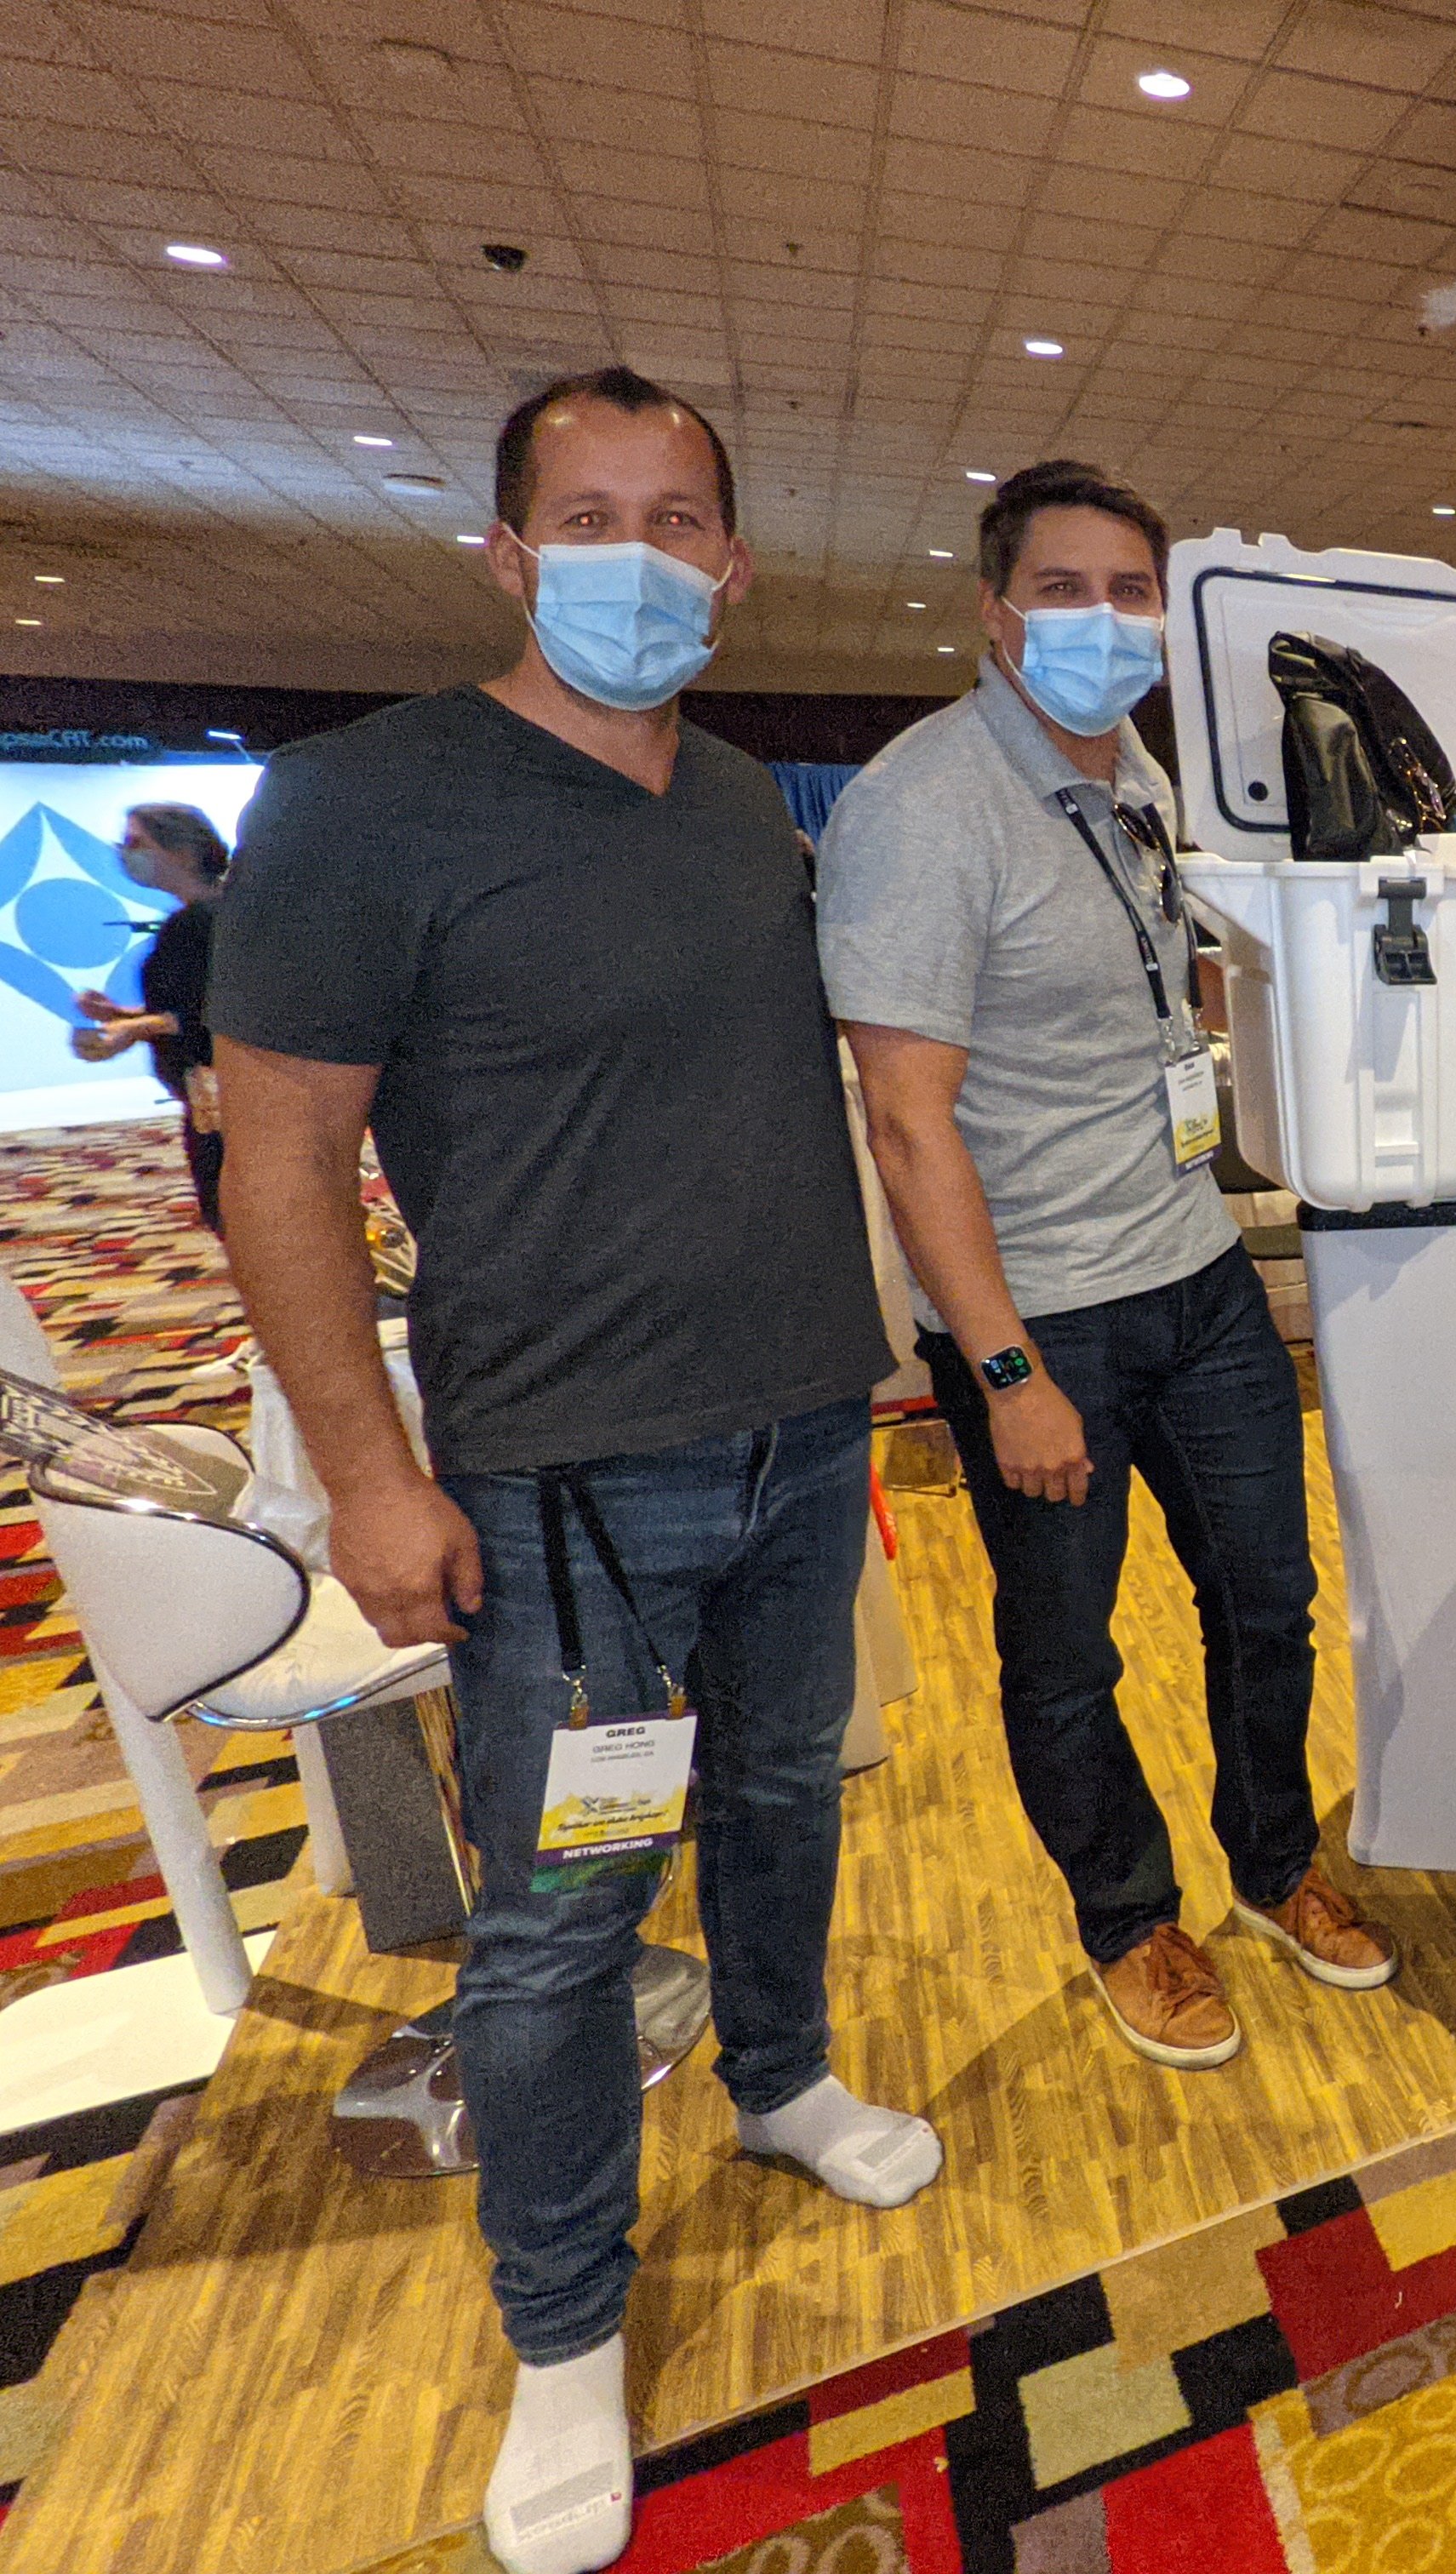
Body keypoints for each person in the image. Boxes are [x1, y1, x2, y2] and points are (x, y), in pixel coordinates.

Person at [210, 367, 933, 2574]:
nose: (645, 555)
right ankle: (562, 2326)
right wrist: (366, 1475)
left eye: (682, 516)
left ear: (731, 559)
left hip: (802, 1439)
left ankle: (787, 2076)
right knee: (559, 1930)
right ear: (510, 556)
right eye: (590, 515)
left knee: (789, 1799)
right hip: (564, 1501)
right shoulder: (367, 805)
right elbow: (285, 1165)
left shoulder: (736, 804)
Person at [821, 460, 1390, 2079]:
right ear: (995, 613)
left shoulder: (1136, 772)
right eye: (1065, 590)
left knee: (1266, 1600)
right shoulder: (922, 807)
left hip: (1197, 1272)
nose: (1104, 620)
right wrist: (1002, 1369)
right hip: (1040, 1311)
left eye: (1132, 590)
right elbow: (908, 1123)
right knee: (1069, 1651)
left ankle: (1274, 1865)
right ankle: (1127, 1910)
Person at [71, 803, 232, 1228]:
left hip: (224, 1094)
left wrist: (132, 1028)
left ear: (179, 849)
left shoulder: (200, 922)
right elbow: (186, 1006)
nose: (126, 853)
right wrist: (121, 1014)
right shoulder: (213, 913)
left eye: (136, 842)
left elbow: (205, 1016)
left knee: (233, 1212)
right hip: (214, 1093)